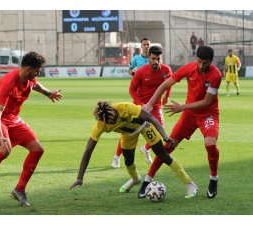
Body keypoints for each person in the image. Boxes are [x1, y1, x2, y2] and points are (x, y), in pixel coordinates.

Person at [0, 51, 62, 207]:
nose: (38, 73)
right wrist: (0, 136)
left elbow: (36, 85)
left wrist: (48, 93)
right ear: (28, 69)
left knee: (37, 149)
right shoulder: (8, 82)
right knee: (5, 150)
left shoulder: (30, 78)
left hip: (14, 119)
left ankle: (19, 189)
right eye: (37, 70)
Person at [70, 101, 198, 199]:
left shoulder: (124, 107)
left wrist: (165, 136)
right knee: (128, 161)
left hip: (144, 126)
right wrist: (80, 177)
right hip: (128, 135)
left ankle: (190, 184)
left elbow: (151, 118)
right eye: (110, 121)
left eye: (114, 117)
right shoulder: (100, 125)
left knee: (163, 155)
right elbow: (88, 151)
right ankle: (136, 179)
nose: (113, 121)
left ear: (113, 110)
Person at [141, 46, 222, 199]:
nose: (201, 66)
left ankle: (213, 179)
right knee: (167, 147)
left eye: (205, 63)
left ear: (211, 61)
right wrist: (150, 104)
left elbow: (206, 102)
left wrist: (182, 107)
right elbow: (165, 84)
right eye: (199, 62)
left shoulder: (216, 75)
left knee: (210, 144)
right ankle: (147, 180)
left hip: (207, 114)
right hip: (189, 115)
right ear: (195, 59)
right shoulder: (189, 68)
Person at [111, 38, 152, 168]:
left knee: (157, 126)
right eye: (144, 44)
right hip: (138, 98)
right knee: (129, 128)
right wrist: (134, 73)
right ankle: (116, 157)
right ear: (141, 46)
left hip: (151, 100)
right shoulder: (136, 59)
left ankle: (146, 149)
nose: (146, 46)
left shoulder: (153, 60)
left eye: (148, 44)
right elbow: (130, 69)